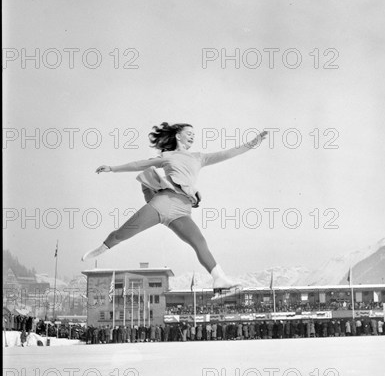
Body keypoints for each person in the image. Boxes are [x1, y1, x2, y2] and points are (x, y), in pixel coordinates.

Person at [82, 122, 268, 290]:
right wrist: (112, 168)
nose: (193, 136)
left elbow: (229, 153)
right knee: (123, 233)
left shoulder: (199, 157)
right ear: (178, 136)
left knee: (199, 242)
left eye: (194, 133)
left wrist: (254, 142)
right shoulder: (167, 156)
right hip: (163, 203)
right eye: (189, 132)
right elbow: (140, 164)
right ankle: (102, 248)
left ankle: (219, 278)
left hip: (182, 211)